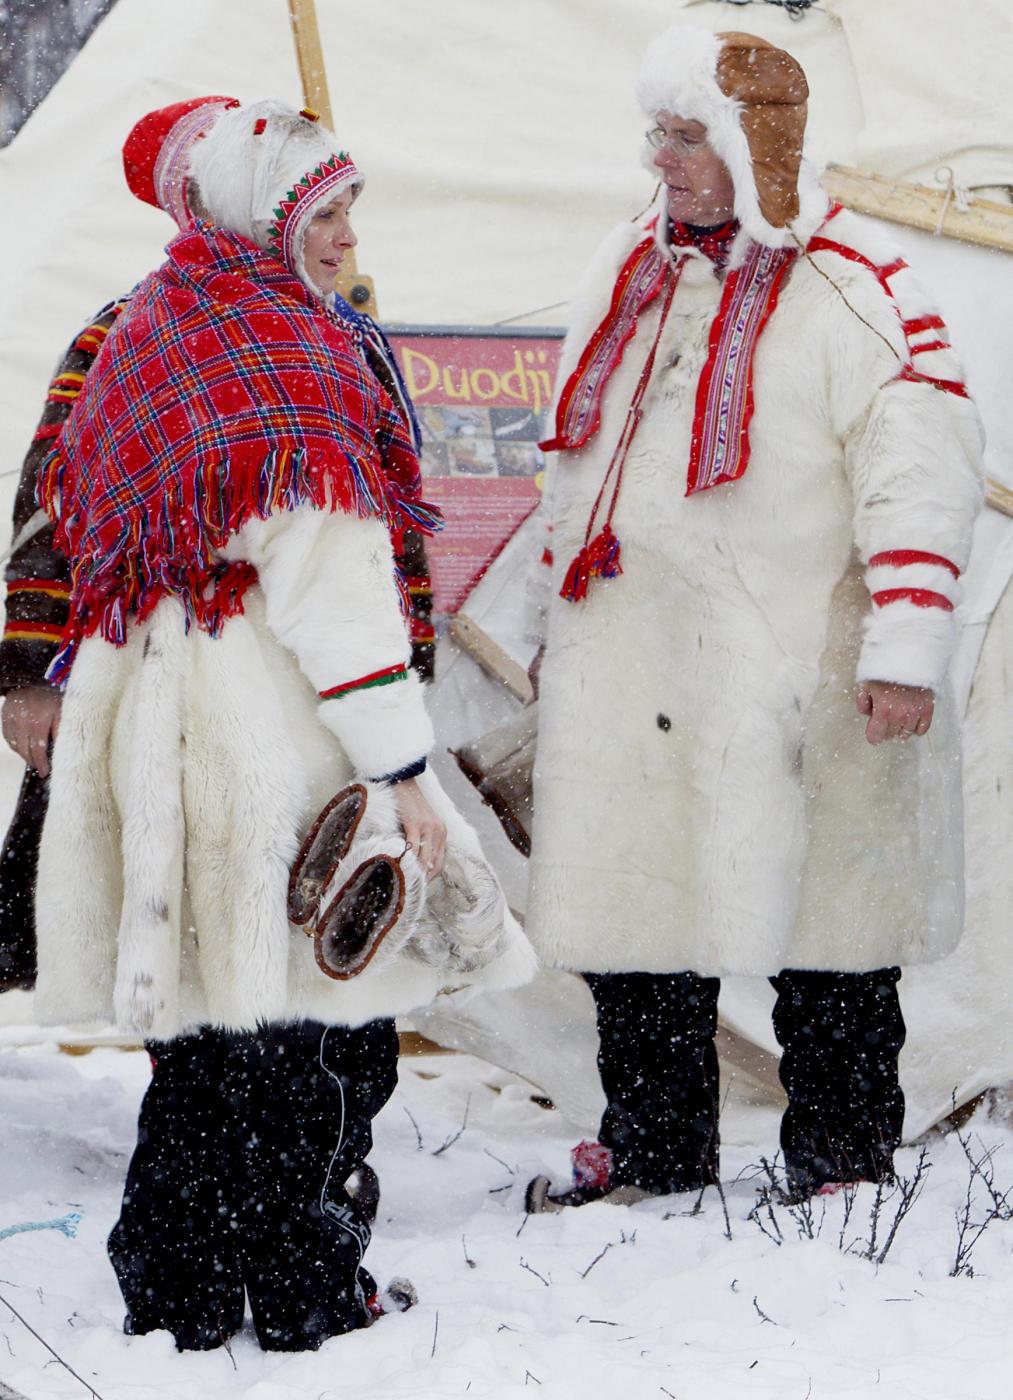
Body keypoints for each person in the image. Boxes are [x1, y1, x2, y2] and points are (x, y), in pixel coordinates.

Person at [28, 97, 532, 1350]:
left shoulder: (170, 327)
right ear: (257, 209)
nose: (344, 232)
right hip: (278, 723)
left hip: (174, 718)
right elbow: (332, 584)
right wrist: (398, 758)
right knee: (299, 1020)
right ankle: (306, 1281)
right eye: (320, 207)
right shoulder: (280, 358)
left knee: (221, 1032)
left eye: (348, 204)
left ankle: (179, 1280)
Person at [524, 25, 983, 1211]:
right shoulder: (627, 264)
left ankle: (837, 1160)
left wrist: (902, 646)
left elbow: (918, 465)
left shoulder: (856, 281)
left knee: (827, 921)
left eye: (684, 137)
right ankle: (653, 1147)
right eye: (655, 134)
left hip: (795, 663)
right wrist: (547, 623)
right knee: (638, 914)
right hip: (634, 655)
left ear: (745, 143)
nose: (658, 160)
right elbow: (572, 466)